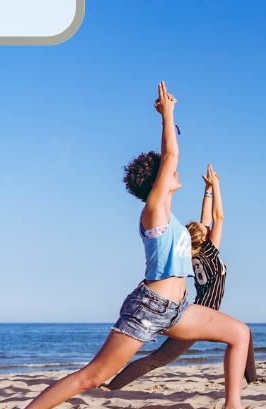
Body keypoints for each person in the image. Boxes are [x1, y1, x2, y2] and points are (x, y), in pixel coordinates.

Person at [12, 82, 252, 409]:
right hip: (149, 308)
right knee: (94, 376)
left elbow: (203, 213)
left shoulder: (171, 218)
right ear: (157, 181)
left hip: (179, 309)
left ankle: (233, 406)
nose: (176, 172)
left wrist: (211, 192)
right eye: (168, 173)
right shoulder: (154, 212)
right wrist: (168, 115)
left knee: (239, 333)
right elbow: (170, 156)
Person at [104, 163, 258, 390]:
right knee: (158, 359)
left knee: (243, 333)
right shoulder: (209, 252)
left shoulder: (195, 251)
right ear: (204, 239)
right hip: (197, 314)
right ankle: (110, 388)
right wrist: (217, 186)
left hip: (199, 310)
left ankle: (253, 380)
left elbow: (206, 218)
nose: (207, 228)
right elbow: (218, 217)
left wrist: (207, 191)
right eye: (205, 230)